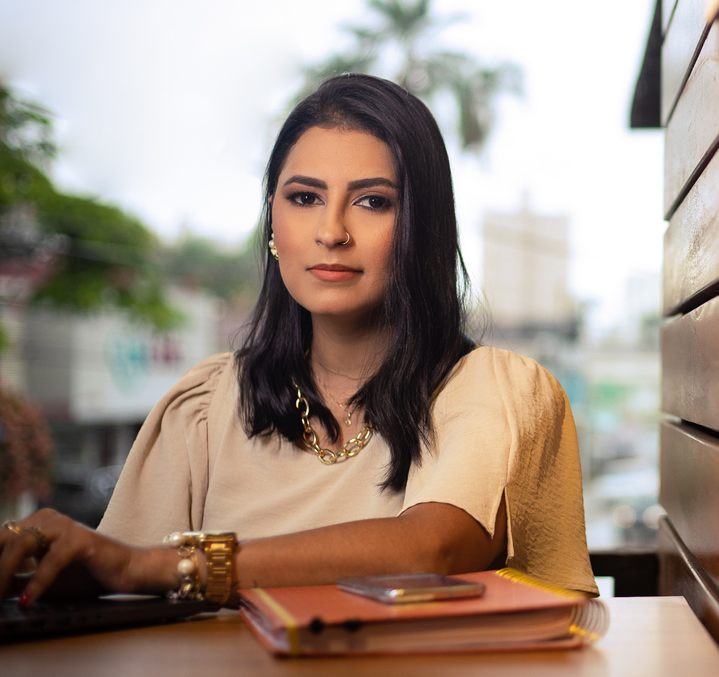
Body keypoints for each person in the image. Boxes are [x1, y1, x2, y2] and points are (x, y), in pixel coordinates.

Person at [0, 75, 596, 606]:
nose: (331, 231)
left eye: (372, 201)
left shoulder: (495, 389)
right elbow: (122, 581)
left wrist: (162, 565)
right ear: (273, 224)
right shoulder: (208, 406)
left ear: (423, 229)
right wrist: (54, 565)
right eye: (305, 198)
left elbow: (430, 551)